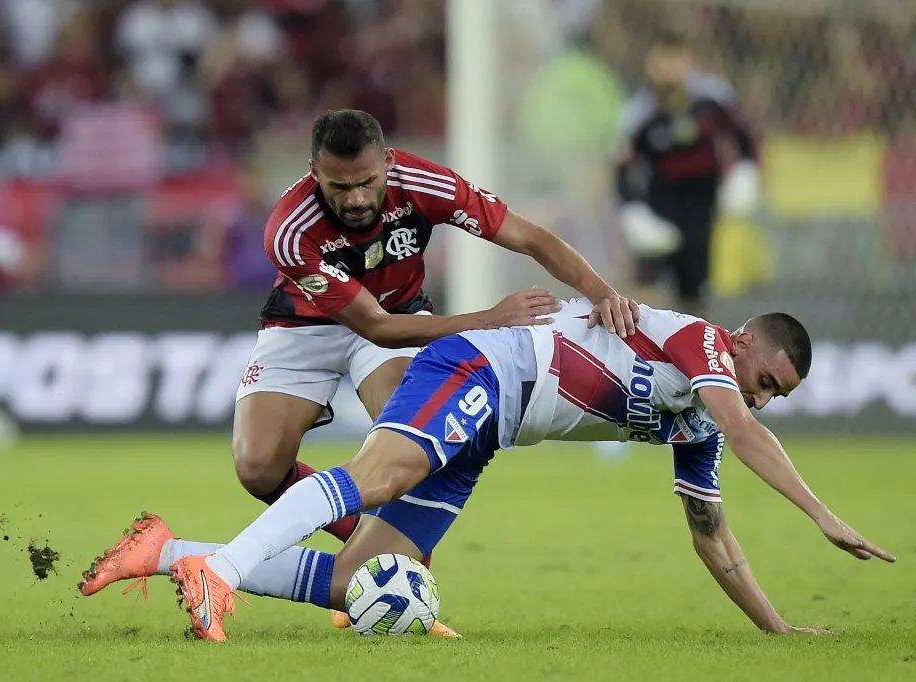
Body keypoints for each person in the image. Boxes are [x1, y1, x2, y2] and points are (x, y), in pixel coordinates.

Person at [75, 109, 638, 636]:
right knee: (256, 467)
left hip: (401, 313)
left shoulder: (426, 184)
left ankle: (373, 569)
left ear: (388, 163)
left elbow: (532, 237)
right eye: (340, 186)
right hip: (311, 325)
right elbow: (371, 326)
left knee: (411, 454)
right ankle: (379, 561)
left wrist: (603, 293)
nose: (356, 198)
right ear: (314, 172)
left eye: (367, 182)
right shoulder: (290, 229)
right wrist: (490, 320)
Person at [101, 299, 890, 641]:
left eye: (777, 395)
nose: (765, 398)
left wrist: (778, 628)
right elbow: (744, 427)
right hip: (482, 367)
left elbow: (713, 539)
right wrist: (821, 514)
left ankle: (169, 553)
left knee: (360, 577)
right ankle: (228, 573)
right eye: (769, 381)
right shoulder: (703, 346)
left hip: (497, 428)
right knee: (376, 476)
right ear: (747, 342)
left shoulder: (698, 425)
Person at [616, 30, 760, 317]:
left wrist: (745, 174)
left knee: (695, 296)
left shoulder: (711, 102)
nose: (669, 69)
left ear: (689, 61)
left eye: (675, 59)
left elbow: (744, 138)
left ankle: (692, 357)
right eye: (662, 60)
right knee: (646, 297)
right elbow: (623, 168)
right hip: (659, 209)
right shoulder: (639, 113)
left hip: (701, 210)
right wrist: (634, 212)